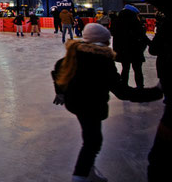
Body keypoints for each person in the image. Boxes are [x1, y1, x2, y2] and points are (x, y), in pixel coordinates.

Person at [52, 23, 162, 182]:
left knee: (90, 138)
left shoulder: (73, 54)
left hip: (75, 103)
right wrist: (156, 92)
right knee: (93, 142)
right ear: (104, 41)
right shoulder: (101, 60)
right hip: (91, 105)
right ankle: (80, 176)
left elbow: (58, 71)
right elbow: (123, 92)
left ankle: (88, 171)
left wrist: (60, 92)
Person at [137, 0, 172, 181]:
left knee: (160, 160)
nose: (151, 5)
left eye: (152, 1)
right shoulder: (167, 19)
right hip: (169, 90)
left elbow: (157, 48)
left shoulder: (169, 21)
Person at [112, 4, 150, 89]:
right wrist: (150, 44)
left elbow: (114, 36)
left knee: (125, 69)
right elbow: (142, 35)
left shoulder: (117, 21)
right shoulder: (134, 21)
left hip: (123, 51)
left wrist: (117, 51)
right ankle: (140, 86)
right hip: (135, 50)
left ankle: (123, 86)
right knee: (138, 70)